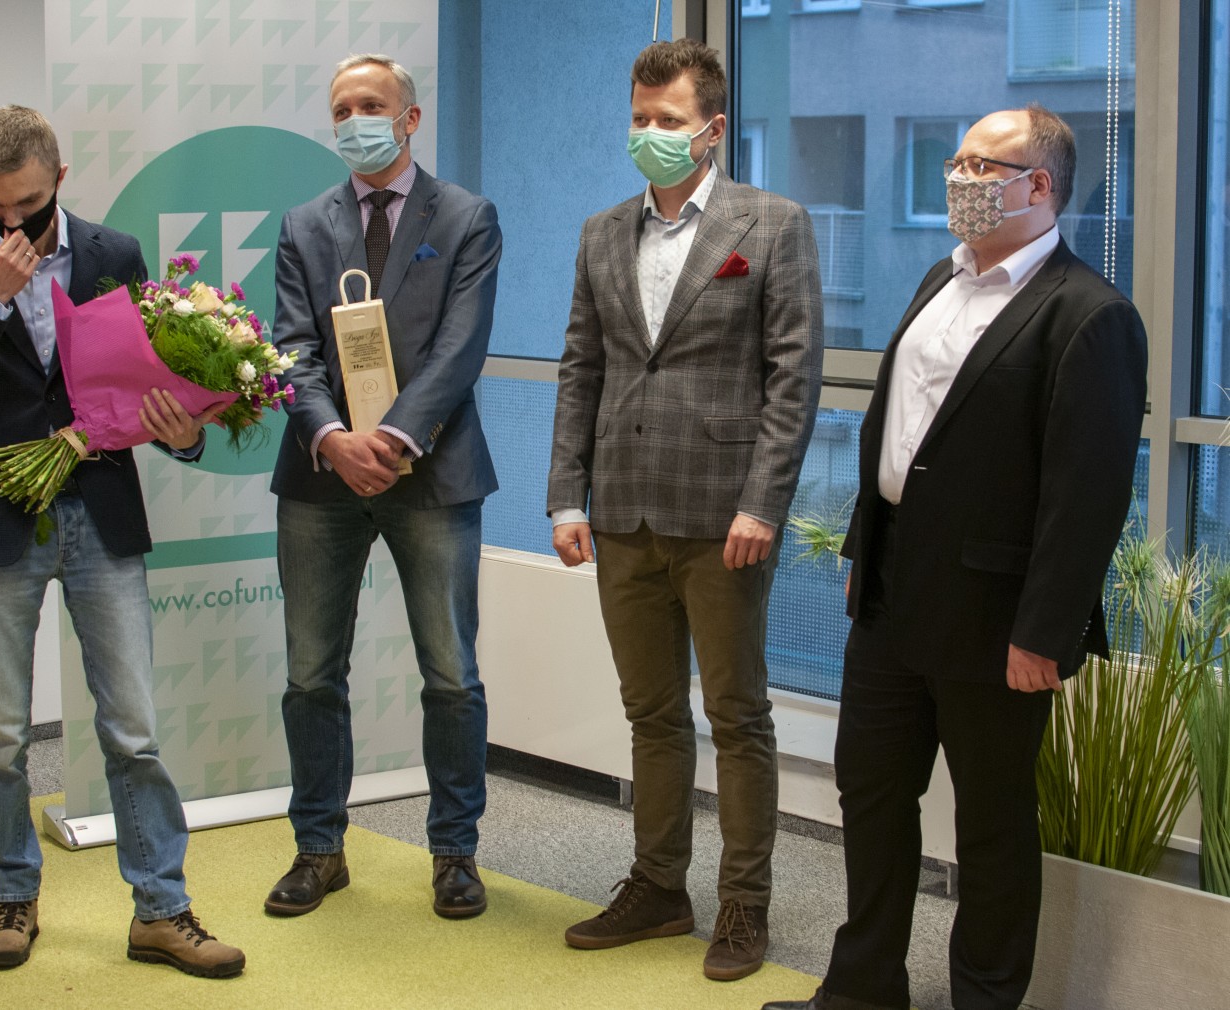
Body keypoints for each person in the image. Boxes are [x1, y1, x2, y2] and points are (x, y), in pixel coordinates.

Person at [762, 105, 1147, 1010]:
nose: (959, 179)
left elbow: (1087, 496)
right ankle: (863, 990)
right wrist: (866, 548)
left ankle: (983, 999)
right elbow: (901, 428)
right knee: (871, 794)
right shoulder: (942, 276)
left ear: (1039, 185)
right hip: (892, 596)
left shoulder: (1090, 314)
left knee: (992, 827)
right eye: (959, 164)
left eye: (982, 167)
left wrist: (1045, 631)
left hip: (998, 619)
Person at [0, 105, 243, 978]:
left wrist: (182, 433)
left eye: (25, 204)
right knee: (1, 735)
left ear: (58, 176)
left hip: (102, 512)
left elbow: (148, 381)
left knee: (133, 730)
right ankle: (14, 897)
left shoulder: (114, 254)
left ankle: (161, 910)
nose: (9, 223)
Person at [547, 39, 824, 982]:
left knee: (737, 715)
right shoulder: (602, 231)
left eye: (667, 120)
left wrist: (764, 504)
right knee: (652, 714)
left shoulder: (772, 224)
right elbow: (581, 369)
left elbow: (793, 380)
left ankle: (745, 904)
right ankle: (659, 887)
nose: (649, 134)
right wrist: (565, 496)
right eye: (639, 118)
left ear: (711, 129)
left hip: (724, 519)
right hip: (622, 510)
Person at [265, 53, 500, 921]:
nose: (355, 119)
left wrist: (393, 438)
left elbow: (460, 348)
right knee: (310, 676)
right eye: (341, 108)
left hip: (432, 472)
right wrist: (333, 438)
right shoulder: (304, 224)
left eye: (372, 104)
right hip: (321, 475)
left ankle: (455, 854)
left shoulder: (467, 217)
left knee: (451, 676)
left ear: (410, 118)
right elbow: (290, 348)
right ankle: (318, 850)